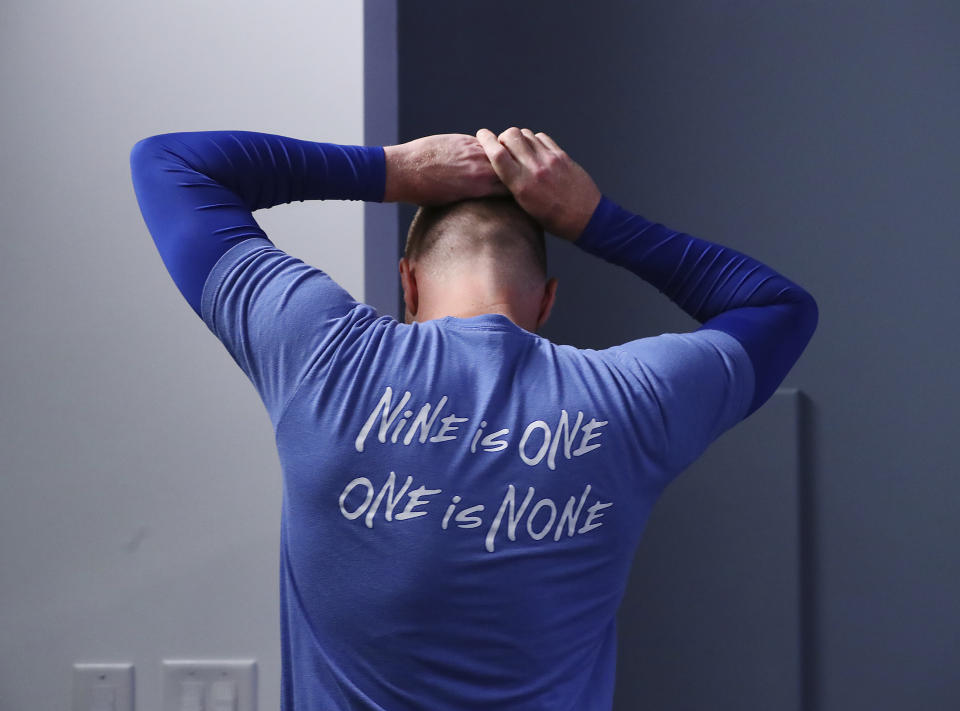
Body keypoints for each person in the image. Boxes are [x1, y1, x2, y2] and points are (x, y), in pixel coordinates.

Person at [130, 126, 817, 711]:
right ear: (546, 302)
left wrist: (395, 170)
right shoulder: (631, 399)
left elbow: (169, 163)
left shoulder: (322, 354)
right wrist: (592, 218)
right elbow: (780, 308)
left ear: (408, 282)